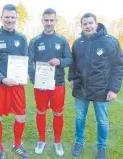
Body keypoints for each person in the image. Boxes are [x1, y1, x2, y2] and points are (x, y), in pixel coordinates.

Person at [68, 13, 123, 159]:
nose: (88, 26)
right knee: (80, 118)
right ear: (81, 26)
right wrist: (71, 78)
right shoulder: (78, 43)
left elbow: (118, 65)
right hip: (81, 88)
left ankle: (101, 147)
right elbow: (73, 64)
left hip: (102, 90)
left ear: (96, 23)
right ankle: (79, 143)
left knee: (102, 120)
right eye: (84, 24)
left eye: (90, 23)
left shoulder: (110, 41)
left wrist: (114, 89)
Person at [0, 4, 30, 159]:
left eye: (12, 17)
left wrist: (26, 74)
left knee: (21, 116)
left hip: (17, 86)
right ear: (2, 18)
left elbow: (26, 60)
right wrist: (2, 78)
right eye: (7, 17)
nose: (10, 20)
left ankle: (17, 145)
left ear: (16, 18)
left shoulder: (22, 38)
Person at [28, 8, 72, 156]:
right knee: (41, 112)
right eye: (46, 20)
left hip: (58, 84)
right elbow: (28, 62)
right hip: (40, 85)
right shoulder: (35, 41)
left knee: (58, 113)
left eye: (51, 20)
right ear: (42, 21)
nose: (48, 23)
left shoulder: (62, 40)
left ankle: (57, 142)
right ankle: (41, 140)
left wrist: (59, 61)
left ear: (55, 21)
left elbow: (70, 59)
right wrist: (35, 79)